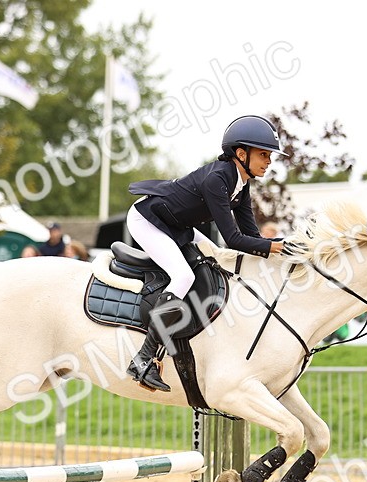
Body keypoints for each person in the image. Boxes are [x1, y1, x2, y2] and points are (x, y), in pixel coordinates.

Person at [123, 114, 295, 391]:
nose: (269, 162)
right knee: (183, 277)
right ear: (241, 154)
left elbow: (251, 236)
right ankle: (143, 359)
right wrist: (276, 246)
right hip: (148, 220)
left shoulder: (241, 184)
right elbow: (234, 240)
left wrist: (284, 247)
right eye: (264, 155)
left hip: (176, 225)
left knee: (212, 257)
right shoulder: (218, 179)